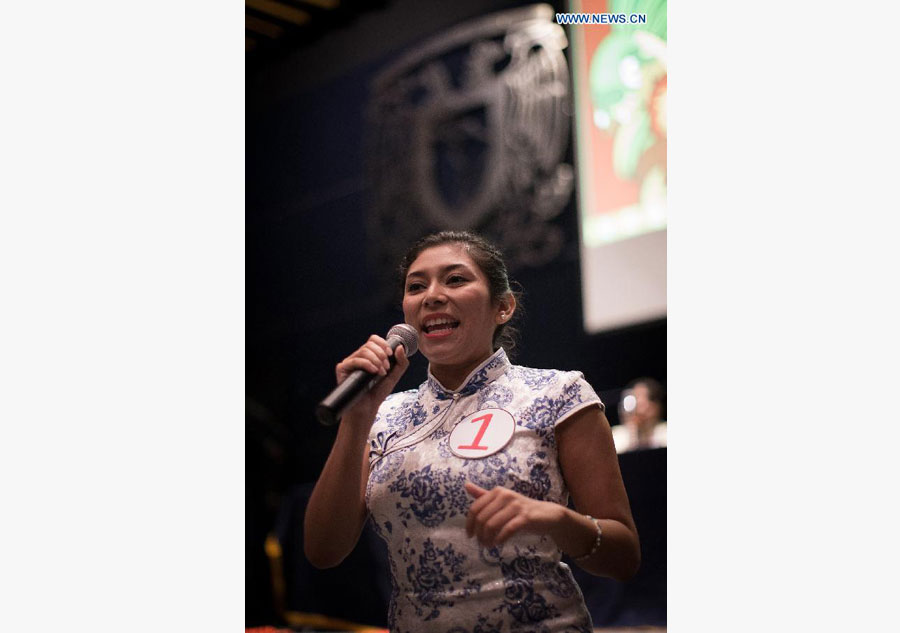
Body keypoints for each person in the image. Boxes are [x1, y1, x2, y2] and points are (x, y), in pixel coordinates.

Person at [304, 231, 640, 632]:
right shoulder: (383, 414)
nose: (431, 295)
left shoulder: (559, 393)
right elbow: (322, 551)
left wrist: (556, 520)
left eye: (456, 279)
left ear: (503, 306)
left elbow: (624, 557)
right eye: (416, 286)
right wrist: (357, 418)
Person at [612, 378, 667, 453]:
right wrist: (632, 433)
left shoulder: (665, 432)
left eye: (638, 399)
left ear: (655, 407)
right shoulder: (617, 435)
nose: (634, 406)